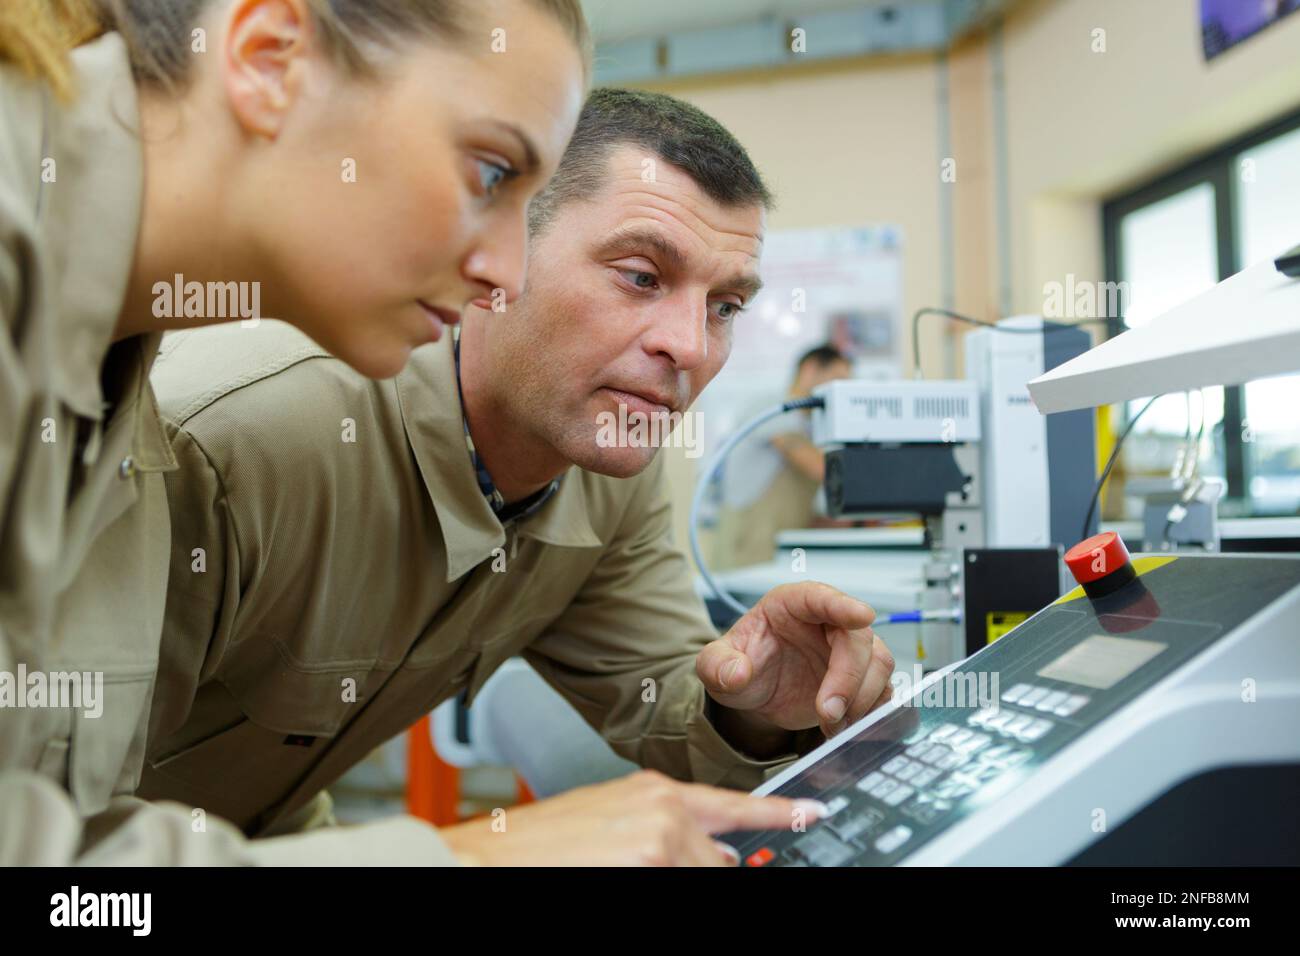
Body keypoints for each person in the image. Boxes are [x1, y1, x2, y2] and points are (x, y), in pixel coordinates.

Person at [140, 88, 896, 865]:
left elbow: (658, 698)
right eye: (641, 276)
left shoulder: (609, 468)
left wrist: (756, 706)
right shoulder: (230, 441)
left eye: (725, 306)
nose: (691, 348)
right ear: (494, 258)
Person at [0, 0, 589, 864]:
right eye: (492, 172)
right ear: (270, 60)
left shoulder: (111, 413)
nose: (506, 272)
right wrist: (473, 859)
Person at [716, 344, 855, 569]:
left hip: (784, 544)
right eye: (837, 379)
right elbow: (819, 467)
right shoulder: (773, 409)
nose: (839, 391)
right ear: (810, 369)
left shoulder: (812, 426)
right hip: (750, 539)